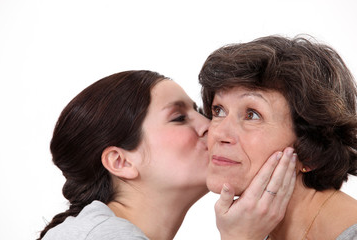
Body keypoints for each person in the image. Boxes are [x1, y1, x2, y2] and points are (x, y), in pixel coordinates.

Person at [38, 70, 296, 240]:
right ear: (121, 161)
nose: (210, 126)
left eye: (205, 111)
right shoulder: (103, 235)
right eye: (180, 118)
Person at [199, 35, 357, 239]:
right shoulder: (252, 228)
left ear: (312, 149)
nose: (218, 133)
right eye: (218, 110)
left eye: (251, 115)